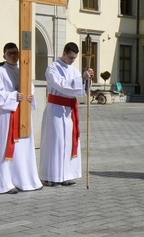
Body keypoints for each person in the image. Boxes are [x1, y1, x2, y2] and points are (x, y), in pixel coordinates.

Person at [0, 42, 43, 194]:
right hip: (8, 115)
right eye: (9, 53)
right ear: (4, 55)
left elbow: (30, 90)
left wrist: (31, 99)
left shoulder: (23, 70)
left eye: (15, 53)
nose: (13, 56)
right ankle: (5, 184)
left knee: (24, 148)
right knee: (7, 147)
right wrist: (13, 96)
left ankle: (25, 180)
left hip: (24, 114)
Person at [39, 42, 93, 187]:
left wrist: (87, 80)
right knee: (55, 142)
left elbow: (81, 89)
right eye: (70, 57)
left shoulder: (74, 70)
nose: (72, 60)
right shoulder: (52, 68)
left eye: (74, 58)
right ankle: (50, 176)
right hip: (56, 109)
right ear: (64, 53)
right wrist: (82, 79)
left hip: (69, 111)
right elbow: (61, 85)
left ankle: (66, 174)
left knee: (68, 142)